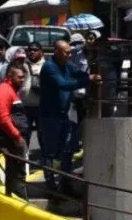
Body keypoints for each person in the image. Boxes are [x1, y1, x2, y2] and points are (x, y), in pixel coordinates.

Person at [39, 38, 99, 192]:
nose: (70, 55)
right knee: (50, 153)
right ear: (57, 52)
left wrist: (91, 73)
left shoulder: (66, 64)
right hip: (50, 117)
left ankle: (65, 183)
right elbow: (64, 85)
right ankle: (50, 184)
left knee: (66, 151)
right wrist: (87, 80)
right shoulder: (49, 67)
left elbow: (77, 73)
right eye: (67, 53)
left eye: (71, 53)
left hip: (63, 115)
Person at [0, 64, 30, 200]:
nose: (22, 80)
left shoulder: (11, 90)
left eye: (23, 77)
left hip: (15, 140)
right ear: (9, 76)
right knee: (16, 174)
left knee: (17, 172)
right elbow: (3, 118)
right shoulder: (4, 90)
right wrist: (17, 136)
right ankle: (19, 203)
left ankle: (16, 199)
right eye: (19, 77)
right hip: (13, 141)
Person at [24, 42, 46, 148]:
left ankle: (45, 160)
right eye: (30, 50)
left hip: (41, 107)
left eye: (35, 50)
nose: (32, 52)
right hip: (24, 107)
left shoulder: (47, 66)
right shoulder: (21, 64)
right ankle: (23, 160)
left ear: (41, 53)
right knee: (24, 134)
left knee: (43, 134)